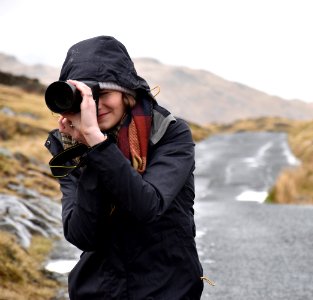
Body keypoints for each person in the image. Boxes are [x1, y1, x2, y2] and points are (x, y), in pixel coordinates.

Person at [44, 36, 204, 299]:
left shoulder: (168, 133)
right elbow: (83, 235)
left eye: (103, 94)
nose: (95, 107)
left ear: (126, 91)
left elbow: (147, 206)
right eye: (85, 99)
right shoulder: (70, 146)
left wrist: (97, 144)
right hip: (99, 291)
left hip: (167, 289)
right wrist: (87, 152)